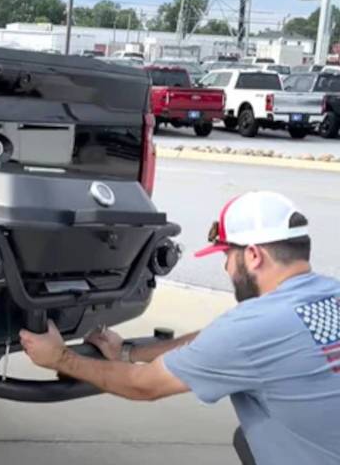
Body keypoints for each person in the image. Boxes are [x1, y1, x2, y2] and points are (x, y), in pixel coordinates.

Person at [20, 191, 340, 465]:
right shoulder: (328, 294)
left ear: (254, 255)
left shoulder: (253, 328)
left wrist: (60, 358)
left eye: (227, 255)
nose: (225, 266)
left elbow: (144, 385)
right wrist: (129, 352)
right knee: (248, 438)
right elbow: (215, 342)